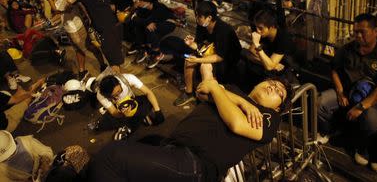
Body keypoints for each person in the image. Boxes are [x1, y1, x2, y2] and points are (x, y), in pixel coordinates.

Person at [88, 74, 293, 182]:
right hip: (174, 148)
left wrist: (217, 88)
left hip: (196, 164)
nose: (272, 87)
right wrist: (241, 101)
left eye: (279, 92)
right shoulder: (234, 91)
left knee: (112, 156)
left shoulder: (270, 118)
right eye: (272, 82)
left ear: (278, 107)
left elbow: (237, 124)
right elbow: (202, 91)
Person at [318, 13, 377, 172]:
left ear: (375, 31)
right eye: (355, 32)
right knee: (321, 102)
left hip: (371, 100)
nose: (358, 36)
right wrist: (340, 91)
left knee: (372, 120)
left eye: (363, 32)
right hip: (347, 92)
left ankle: (364, 147)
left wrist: (361, 106)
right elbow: (334, 69)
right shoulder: (348, 48)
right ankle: (329, 129)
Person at [173, 1, 242, 107]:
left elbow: (219, 57)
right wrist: (192, 44)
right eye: (196, 15)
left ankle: (208, 100)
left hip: (227, 60)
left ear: (209, 18)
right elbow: (200, 47)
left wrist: (198, 60)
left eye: (199, 16)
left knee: (205, 66)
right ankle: (189, 93)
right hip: (211, 53)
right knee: (189, 60)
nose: (196, 18)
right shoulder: (202, 25)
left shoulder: (224, 30)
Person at [66, 0, 123, 73]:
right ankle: (120, 84)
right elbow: (69, 0)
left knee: (117, 58)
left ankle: (120, 82)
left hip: (114, 24)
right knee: (113, 60)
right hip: (101, 28)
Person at [90, 73, 164, 141]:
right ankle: (130, 125)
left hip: (132, 100)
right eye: (114, 95)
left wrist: (158, 111)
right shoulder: (100, 95)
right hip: (118, 108)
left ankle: (130, 123)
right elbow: (113, 112)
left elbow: (148, 92)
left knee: (148, 101)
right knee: (108, 122)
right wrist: (122, 114)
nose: (118, 95)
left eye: (119, 91)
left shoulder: (128, 78)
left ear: (119, 83)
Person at [243, 9, 296, 91]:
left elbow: (269, 66)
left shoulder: (283, 39)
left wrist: (257, 45)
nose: (257, 31)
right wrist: (270, 63)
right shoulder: (264, 34)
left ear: (271, 27)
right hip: (272, 68)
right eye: (256, 27)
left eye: (260, 28)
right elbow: (250, 53)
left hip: (286, 72)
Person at [128, 0, 176, 68]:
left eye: (140, 0)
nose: (138, 2)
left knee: (151, 29)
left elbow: (148, 22)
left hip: (168, 23)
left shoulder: (159, 7)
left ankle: (156, 53)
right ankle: (143, 48)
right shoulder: (143, 8)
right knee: (140, 25)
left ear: (148, 2)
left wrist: (142, 21)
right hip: (154, 22)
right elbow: (134, 18)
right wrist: (142, 20)